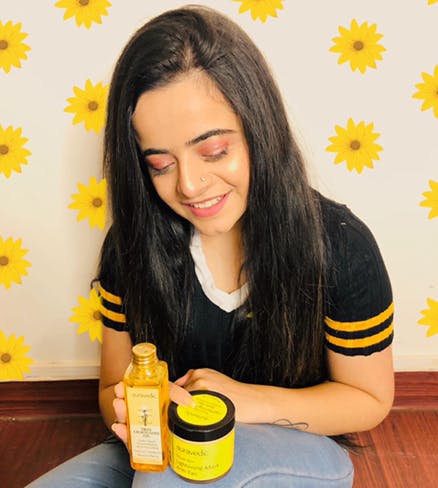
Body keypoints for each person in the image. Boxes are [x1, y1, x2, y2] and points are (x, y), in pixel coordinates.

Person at [27, 5, 394, 487]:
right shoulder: (131, 246)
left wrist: (242, 402)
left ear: (259, 129)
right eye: (160, 163)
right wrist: (136, 409)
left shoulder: (341, 246)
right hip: (170, 441)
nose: (190, 185)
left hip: (299, 445)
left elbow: (368, 400)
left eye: (214, 151)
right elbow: (111, 387)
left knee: (166, 480)